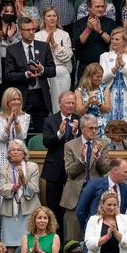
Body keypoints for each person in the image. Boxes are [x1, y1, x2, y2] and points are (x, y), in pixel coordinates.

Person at [61, 114, 110, 240]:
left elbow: (105, 170)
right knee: (73, 237)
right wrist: (81, 160)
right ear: (82, 128)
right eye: (91, 128)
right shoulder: (70, 145)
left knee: (94, 235)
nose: (94, 131)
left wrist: (98, 156)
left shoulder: (102, 144)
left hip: (96, 193)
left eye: (96, 128)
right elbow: (70, 172)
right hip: (75, 194)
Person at [4, 16, 56, 133]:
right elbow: (9, 75)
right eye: (28, 30)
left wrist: (42, 70)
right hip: (22, 96)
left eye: (33, 29)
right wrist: (26, 75)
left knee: (41, 132)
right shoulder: (12, 50)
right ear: (20, 30)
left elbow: (52, 70)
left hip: (41, 95)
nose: (32, 32)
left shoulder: (44, 47)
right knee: (21, 132)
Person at [41, 91, 81, 235]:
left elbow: (84, 144)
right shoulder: (50, 120)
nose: (71, 105)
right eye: (68, 103)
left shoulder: (79, 120)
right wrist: (59, 133)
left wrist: (76, 134)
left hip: (74, 171)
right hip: (55, 171)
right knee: (53, 209)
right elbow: (47, 143)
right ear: (60, 103)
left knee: (71, 209)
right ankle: (54, 240)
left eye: (73, 103)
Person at [0, 88, 31, 222]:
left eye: (18, 99)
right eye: (13, 99)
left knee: (18, 186)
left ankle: (17, 224)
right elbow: (1, 137)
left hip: (19, 155)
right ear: (7, 101)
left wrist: (16, 120)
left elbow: (22, 136)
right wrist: (9, 121)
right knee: (1, 188)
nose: (16, 102)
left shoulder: (25, 116)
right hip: (2, 154)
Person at [0, 139, 41, 253]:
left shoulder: (32, 166)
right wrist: (14, 186)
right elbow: (1, 188)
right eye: (13, 150)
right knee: (10, 246)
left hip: (29, 210)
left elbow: (34, 189)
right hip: (10, 211)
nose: (16, 152)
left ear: (24, 153)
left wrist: (24, 180)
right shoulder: (4, 168)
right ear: (9, 154)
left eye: (19, 149)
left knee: (29, 243)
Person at [35, 7, 73, 114]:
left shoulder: (64, 35)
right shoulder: (37, 36)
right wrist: (46, 46)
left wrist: (55, 45)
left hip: (62, 70)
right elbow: (37, 58)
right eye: (49, 16)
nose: (52, 18)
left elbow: (67, 56)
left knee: (63, 99)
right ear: (44, 19)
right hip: (44, 72)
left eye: (54, 16)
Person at [100, 27, 127, 121]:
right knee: (110, 124)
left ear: (124, 41)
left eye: (117, 39)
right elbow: (102, 79)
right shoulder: (104, 56)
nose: (113, 41)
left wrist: (122, 65)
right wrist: (114, 69)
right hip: (110, 93)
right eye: (112, 39)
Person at [77, 158, 127, 228]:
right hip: (96, 231)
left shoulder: (126, 189)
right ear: (115, 170)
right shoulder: (95, 184)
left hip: (117, 231)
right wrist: (87, 228)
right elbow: (81, 210)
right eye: (125, 172)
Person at [72, 0, 116, 79]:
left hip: (105, 66)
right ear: (89, 7)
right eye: (97, 6)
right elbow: (76, 45)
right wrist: (88, 29)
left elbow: (113, 43)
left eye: (103, 6)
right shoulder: (79, 23)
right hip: (85, 67)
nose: (101, 9)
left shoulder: (111, 23)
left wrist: (100, 32)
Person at [74, 63, 112, 137]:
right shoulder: (79, 91)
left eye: (101, 76)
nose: (100, 79)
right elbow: (79, 111)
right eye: (97, 76)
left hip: (102, 127)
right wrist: (88, 103)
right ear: (89, 76)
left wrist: (98, 103)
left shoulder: (104, 89)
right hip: (86, 126)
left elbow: (108, 109)